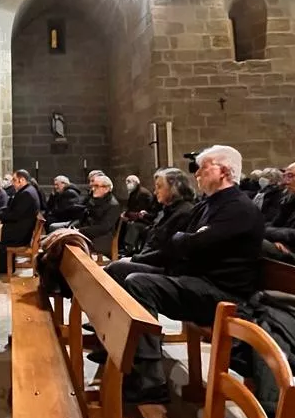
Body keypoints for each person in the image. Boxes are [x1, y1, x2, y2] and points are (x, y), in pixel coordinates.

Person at [97, 145, 264, 403]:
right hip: (193, 278)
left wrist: (184, 241)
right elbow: (177, 243)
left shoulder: (238, 208)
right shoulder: (208, 205)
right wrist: (181, 242)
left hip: (221, 293)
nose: (197, 173)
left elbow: (192, 244)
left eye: (204, 167)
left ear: (225, 171)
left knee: (139, 284)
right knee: (120, 270)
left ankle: (150, 380)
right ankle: (118, 346)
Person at [130, 168, 197, 264]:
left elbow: (167, 252)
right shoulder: (168, 210)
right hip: (149, 259)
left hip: (165, 266)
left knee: (116, 268)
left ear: (174, 188)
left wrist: (137, 259)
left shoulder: (184, 212)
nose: (155, 192)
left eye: (159, 187)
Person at [75, 174, 120, 258]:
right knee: (67, 238)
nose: (93, 189)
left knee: (72, 241)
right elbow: (86, 218)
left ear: (106, 188)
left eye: (96, 186)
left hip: (103, 238)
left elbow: (103, 227)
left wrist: (80, 231)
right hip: (91, 233)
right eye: (93, 186)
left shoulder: (113, 205)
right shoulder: (95, 200)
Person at [120, 174, 156, 254]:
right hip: (138, 217)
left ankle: (129, 248)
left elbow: (141, 210)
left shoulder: (142, 193)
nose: (127, 184)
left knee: (133, 225)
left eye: (129, 182)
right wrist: (125, 214)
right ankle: (119, 246)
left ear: (135, 182)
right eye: (126, 182)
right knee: (121, 222)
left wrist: (128, 217)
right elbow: (130, 207)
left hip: (145, 220)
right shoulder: (133, 193)